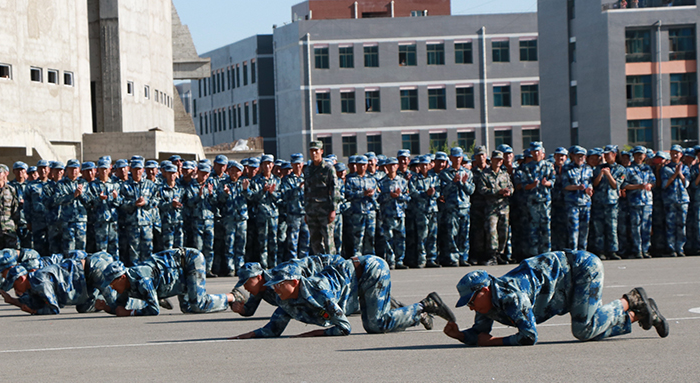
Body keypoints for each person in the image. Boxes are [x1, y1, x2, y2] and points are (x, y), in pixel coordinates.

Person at [443, 251, 668, 347]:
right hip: (563, 284)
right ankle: (639, 313)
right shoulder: (488, 302)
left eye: (471, 301)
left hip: (581, 269)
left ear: (484, 290)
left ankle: (631, 300)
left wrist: (493, 342)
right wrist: (460, 335)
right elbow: (480, 333)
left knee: (583, 329)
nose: (471, 308)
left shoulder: (512, 296)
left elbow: (529, 336)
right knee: (591, 332)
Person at [232, 255, 451, 338]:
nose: (276, 290)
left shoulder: (318, 290)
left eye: (279, 285)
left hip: (369, 270)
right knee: (371, 316)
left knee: (375, 324)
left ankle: (424, 306)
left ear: (295, 282)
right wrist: (248, 335)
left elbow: (344, 327)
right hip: (350, 284)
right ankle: (413, 314)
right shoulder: (284, 297)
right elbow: (273, 328)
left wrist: (316, 333)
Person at [96, 248, 247, 316]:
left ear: (122, 277)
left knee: (198, 304)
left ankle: (233, 296)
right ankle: (158, 295)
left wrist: (130, 313)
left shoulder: (142, 279)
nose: (111, 287)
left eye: (112, 283)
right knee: (188, 309)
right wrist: (106, 307)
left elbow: (154, 310)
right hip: (178, 275)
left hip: (189, 261)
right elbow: (119, 307)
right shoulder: (125, 284)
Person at [303, 140, 339, 255]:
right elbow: (306, 191)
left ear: (321, 151)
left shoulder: (328, 169)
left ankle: (332, 264)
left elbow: (335, 190)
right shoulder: (307, 169)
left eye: (316, 151)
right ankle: (319, 264)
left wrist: (333, 210)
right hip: (311, 211)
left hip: (325, 211)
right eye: (311, 151)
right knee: (315, 242)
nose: (314, 153)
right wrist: (306, 211)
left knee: (328, 242)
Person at [477, 150, 513, 266]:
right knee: (492, 231)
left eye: (500, 160)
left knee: (504, 231)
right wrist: (498, 191)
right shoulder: (485, 174)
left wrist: (509, 192)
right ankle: (492, 254)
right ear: (491, 160)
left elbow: (511, 187)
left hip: (504, 207)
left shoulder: (504, 174)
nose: (498, 162)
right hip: (491, 208)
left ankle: (500, 254)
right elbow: (482, 190)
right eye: (496, 159)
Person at [660, 145, 690, 256]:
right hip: (670, 200)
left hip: (683, 199)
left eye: (677, 153)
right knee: (670, 224)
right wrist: (674, 174)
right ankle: (671, 248)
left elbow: (686, 184)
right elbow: (664, 184)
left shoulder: (685, 168)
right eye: (673, 153)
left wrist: (680, 173)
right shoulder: (666, 168)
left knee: (682, 224)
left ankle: (680, 248)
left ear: (681, 155)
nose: (675, 155)